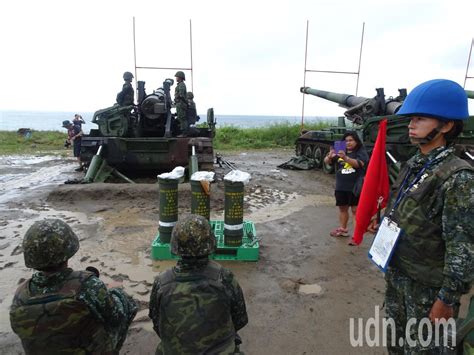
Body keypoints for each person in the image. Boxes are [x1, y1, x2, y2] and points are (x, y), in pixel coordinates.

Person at [367, 79, 473, 353]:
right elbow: (406, 205)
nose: (411, 124)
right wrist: (386, 223)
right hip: (399, 276)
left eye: (421, 119)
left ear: (446, 125)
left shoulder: (458, 177)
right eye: (411, 118)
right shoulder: (414, 163)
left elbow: (462, 247)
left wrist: (447, 299)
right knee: (397, 346)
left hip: (427, 290)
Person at [9, 219, 138, 354]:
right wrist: (115, 291)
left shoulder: (20, 295)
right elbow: (116, 316)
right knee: (126, 303)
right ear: (68, 249)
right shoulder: (88, 285)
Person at [149, 214, 248, 355]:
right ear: (211, 243)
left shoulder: (162, 282)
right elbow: (240, 320)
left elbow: (158, 324)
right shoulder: (225, 278)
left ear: (175, 245)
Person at [323, 131, 368, 238]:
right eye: (346, 141)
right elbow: (327, 162)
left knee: (355, 210)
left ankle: (357, 235)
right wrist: (329, 156)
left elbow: (360, 164)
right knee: (342, 209)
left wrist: (345, 158)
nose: (348, 143)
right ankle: (343, 229)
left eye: (351, 140)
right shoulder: (340, 150)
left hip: (355, 186)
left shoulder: (361, 151)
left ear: (356, 141)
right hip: (341, 186)